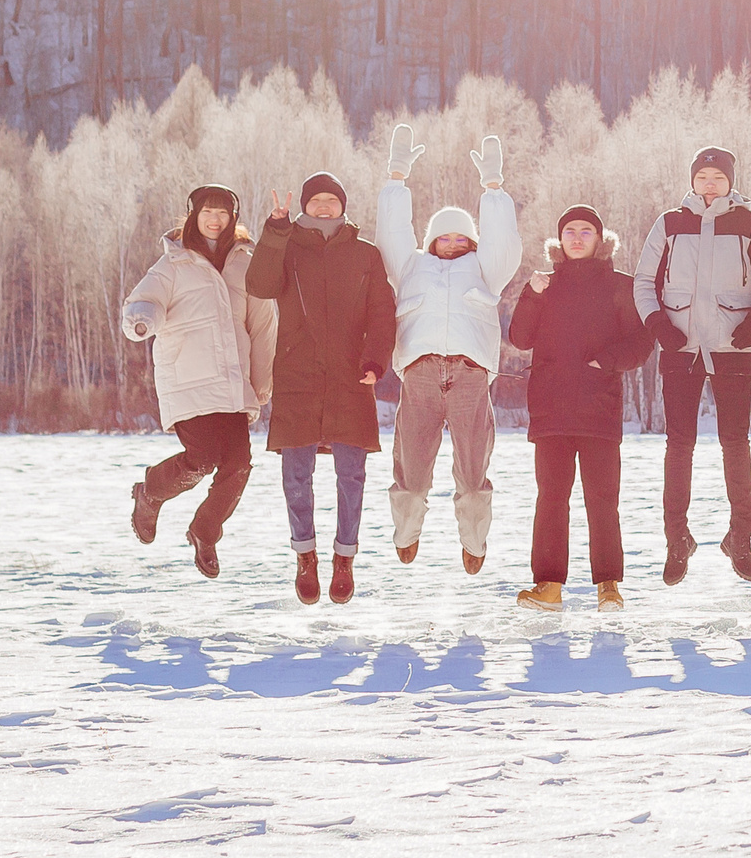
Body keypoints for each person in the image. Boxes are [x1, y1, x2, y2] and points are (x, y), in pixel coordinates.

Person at [635, 144, 751, 585]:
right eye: (703, 177)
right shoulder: (669, 224)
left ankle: (740, 537)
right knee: (678, 445)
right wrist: (656, 323)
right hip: (679, 346)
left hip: (732, 346)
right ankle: (676, 539)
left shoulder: (750, 224)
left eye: (718, 178)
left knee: (735, 444)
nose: (709, 184)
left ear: (730, 182)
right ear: (692, 180)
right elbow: (643, 281)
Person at [378, 126, 521, 574]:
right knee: (412, 471)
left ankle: (474, 540)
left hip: (470, 376)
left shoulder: (484, 269)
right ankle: (406, 531)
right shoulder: (410, 267)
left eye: (462, 238)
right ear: (432, 241)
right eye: (446, 237)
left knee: (473, 470)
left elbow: (505, 245)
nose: (454, 244)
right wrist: (397, 180)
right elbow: (392, 233)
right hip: (419, 375)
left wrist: (494, 190)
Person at [250, 171, 397, 606]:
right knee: (297, 477)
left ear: (343, 207)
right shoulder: (288, 246)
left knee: (351, 476)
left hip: (352, 376)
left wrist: (376, 360)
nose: (325, 207)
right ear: (305, 207)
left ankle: (344, 558)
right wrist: (275, 230)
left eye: (333, 201)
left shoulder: (366, 254)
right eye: (317, 201)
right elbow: (258, 285)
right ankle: (305, 556)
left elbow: (382, 312)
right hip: (298, 375)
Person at [121, 183, 279, 579]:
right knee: (203, 458)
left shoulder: (246, 261)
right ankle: (150, 492)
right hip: (188, 380)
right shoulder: (174, 264)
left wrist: (261, 381)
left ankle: (205, 531)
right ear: (193, 216)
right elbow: (144, 302)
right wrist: (143, 320)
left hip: (231, 384)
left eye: (223, 213)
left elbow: (263, 325)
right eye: (207, 211)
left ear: (232, 219)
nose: (215, 219)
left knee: (239, 465)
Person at [508, 204, 653, 612]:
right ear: (559, 240)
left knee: (602, 499)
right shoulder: (544, 286)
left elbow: (641, 345)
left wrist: (604, 362)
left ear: (599, 239)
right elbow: (519, 337)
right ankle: (549, 586)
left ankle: (609, 586)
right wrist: (531, 296)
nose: (576, 237)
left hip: (599, 407)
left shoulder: (621, 286)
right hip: (550, 409)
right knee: (551, 498)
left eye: (585, 231)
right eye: (569, 230)